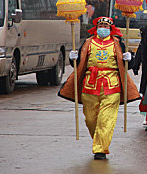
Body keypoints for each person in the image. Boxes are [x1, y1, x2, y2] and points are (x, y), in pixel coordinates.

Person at [58, 16, 140, 160]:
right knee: (90, 119)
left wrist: (130, 58)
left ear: (111, 29)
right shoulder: (88, 42)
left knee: (106, 119)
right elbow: (78, 64)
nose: (103, 28)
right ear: (96, 28)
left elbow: (129, 64)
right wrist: (72, 58)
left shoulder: (117, 43)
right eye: (101, 25)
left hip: (111, 85)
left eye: (106, 26)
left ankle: (100, 149)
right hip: (90, 85)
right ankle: (99, 140)